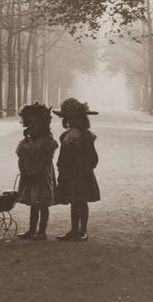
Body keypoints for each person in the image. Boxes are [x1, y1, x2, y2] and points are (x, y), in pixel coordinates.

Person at [53, 98, 100, 241]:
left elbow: (93, 159)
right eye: (69, 119)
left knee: (82, 201)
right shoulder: (65, 137)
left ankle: (83, 231)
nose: (71, 122)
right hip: (69, 173)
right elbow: (62, 156)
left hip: (82, 174)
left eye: (74, 119)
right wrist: (61, 170)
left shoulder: (87, 137)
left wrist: (84, 167)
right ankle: (74, 230)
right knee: (74, 202)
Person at [15, 102, 58, 240]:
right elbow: (20, 158)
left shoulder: (47, 142)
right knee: (33, 203)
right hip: (28, 174)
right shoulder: (25, 142)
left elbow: (47, 160)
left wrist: (36, 171)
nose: (33, 125)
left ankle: (42, 231)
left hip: (42, 175)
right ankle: (31, 229)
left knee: (42, 204)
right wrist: (24, 171)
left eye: (37, 122)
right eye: (31, 122)